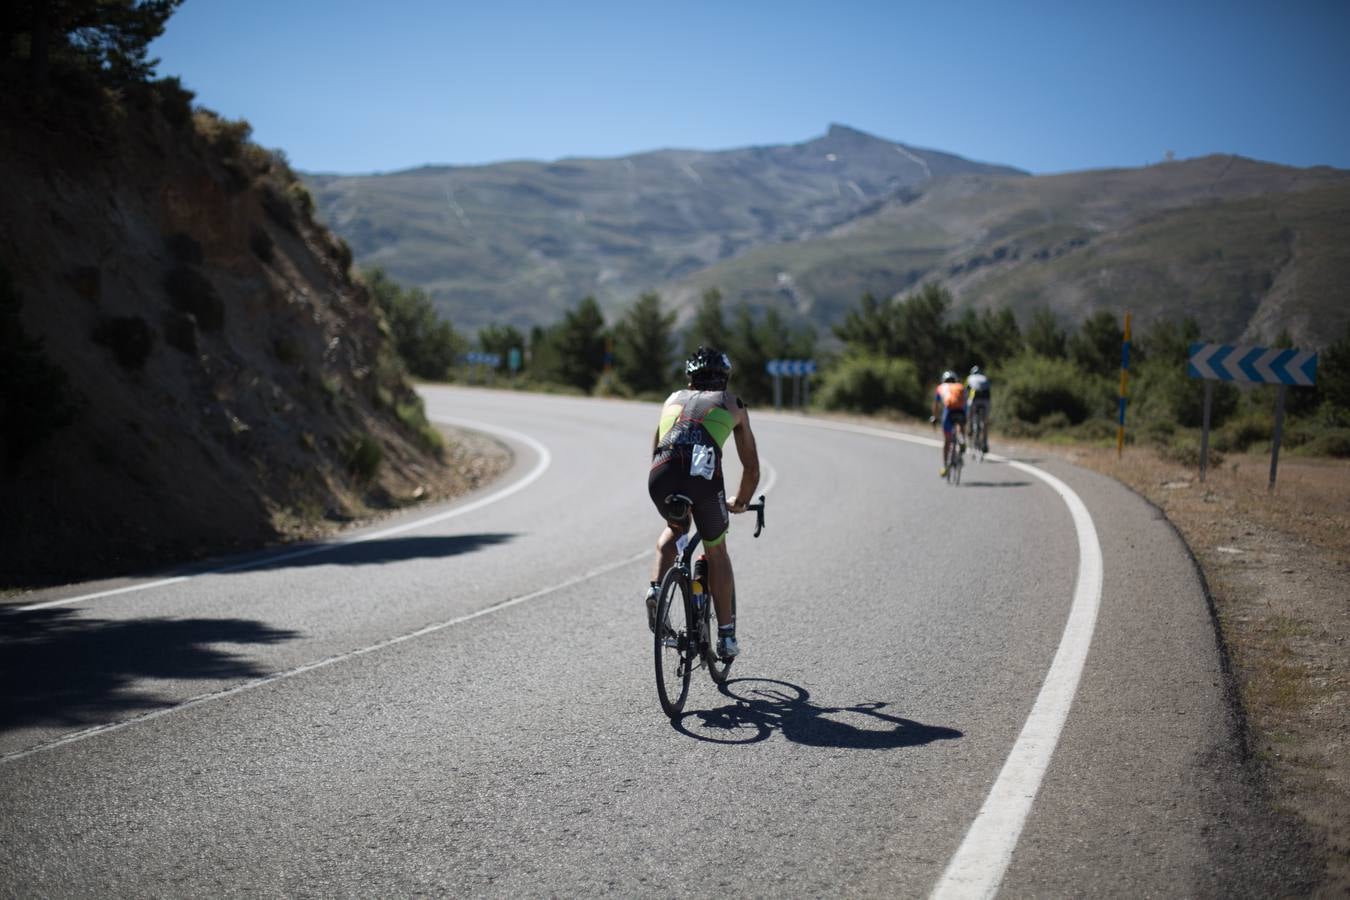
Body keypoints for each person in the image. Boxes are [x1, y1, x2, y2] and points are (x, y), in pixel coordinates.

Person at [645, 346, 760, 659]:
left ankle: (656, 589)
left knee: (675, 528)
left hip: (662, 475)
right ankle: (725, 636)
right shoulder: (733, 403)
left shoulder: (671, 399)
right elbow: (750, 466)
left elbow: (657, 448)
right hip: (702, 479)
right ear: (724, 377)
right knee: (716, 549)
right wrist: (741, 501)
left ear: (690, 378)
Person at [930, 370, 966, 476]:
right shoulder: (960, 386)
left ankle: (945, 466)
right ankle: (961, 438)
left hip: (949, 412)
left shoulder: (941, 387)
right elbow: (966, 402)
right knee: (959, 425)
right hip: (961, 411)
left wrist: (934, 417)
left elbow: (936, 405)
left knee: (947, 440)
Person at [965, 365, 991, 453]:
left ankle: (970, 427)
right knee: (985, 422)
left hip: (974, 400)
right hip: (985, 400)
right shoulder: (984, 378)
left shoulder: (969, 378)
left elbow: (965, 391)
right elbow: (989, 391)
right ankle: (985, 442)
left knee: (969, 416)